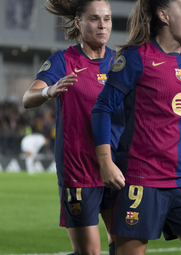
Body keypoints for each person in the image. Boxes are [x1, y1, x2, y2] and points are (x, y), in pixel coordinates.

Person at [91, 0, 181, 254]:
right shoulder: (135, 58)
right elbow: (102, 108)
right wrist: (105, 162)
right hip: (141, 180)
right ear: (163, 15)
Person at [22, 1, 117, 254]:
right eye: (94, 19)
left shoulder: (120, 62)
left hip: (116, 169)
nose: (102, 25)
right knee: (89, 252)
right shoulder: (64, 60)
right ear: (78, 22)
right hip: (79, 170)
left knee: (125, 245)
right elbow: (27, 98)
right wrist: (48, 90)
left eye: (107, 19)